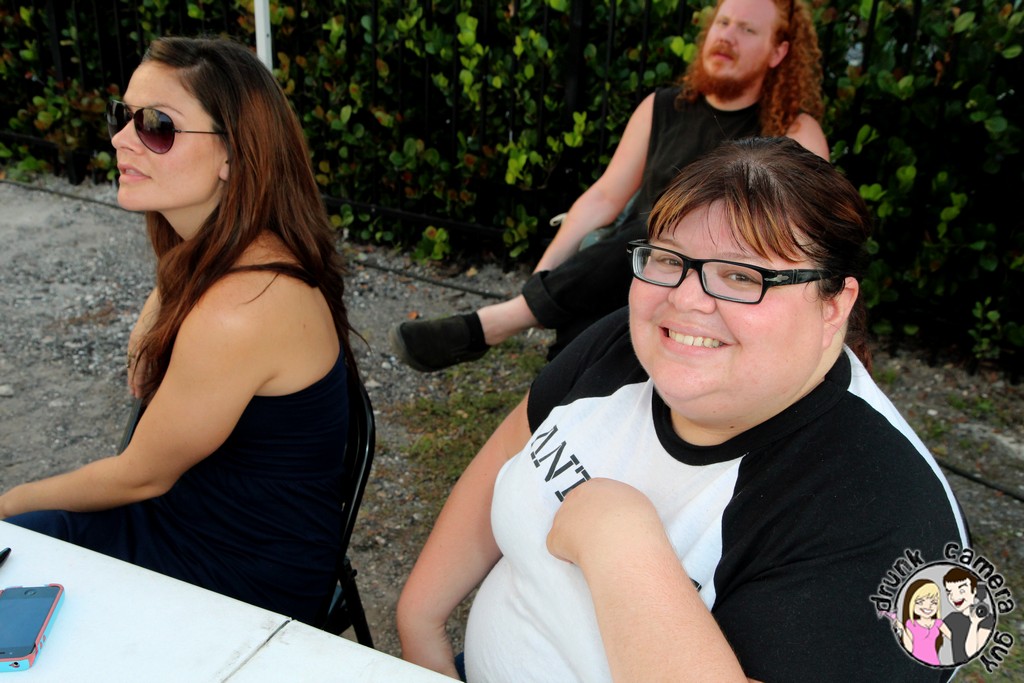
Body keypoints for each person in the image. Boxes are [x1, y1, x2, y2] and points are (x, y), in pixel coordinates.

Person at [395, 138, 969, 682]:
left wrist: (622, 545)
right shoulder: (619, 347)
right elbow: (507, 453)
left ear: (834, 305)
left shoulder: (895, 516)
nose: (686, 298)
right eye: (669, 260)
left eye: (742, 275)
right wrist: (420, 625)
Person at [0, 36, 357, 624]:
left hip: (234, 578)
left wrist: (9, 502)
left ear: (233, 155)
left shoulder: (241, 305)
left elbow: (139, 475)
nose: (121, 139)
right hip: (187, 522)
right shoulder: (225, 249)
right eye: (124, 117)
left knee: (20, 537)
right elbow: (143, 373)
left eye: (157, 125)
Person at [390, 0, 829, 371]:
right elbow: (603, 197)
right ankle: (551, 388)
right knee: (586, 334)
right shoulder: (662, 107)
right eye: (723, 23)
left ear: (778, 52)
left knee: (661, 229)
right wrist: (546, 274)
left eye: (747, 30)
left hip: (717, 287)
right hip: (629, 273)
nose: (727, 37)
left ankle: (493, 326)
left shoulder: (795, 133)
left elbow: (797, 242)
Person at [942, 567, 995, 663]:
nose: (954, 597)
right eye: (949, 592)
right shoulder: (952, 617)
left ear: (974, 591)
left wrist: (974, 623)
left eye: (961, 591)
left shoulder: (987, 619)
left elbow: (971, 653)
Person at [899, 580, 952, 666]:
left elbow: (954, 638)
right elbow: (909, 648)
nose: (928, 606)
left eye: (934, 602)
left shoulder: (938, 623)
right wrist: (902, 629)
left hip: (934, 663)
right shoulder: (910, 624)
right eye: (920, 602)